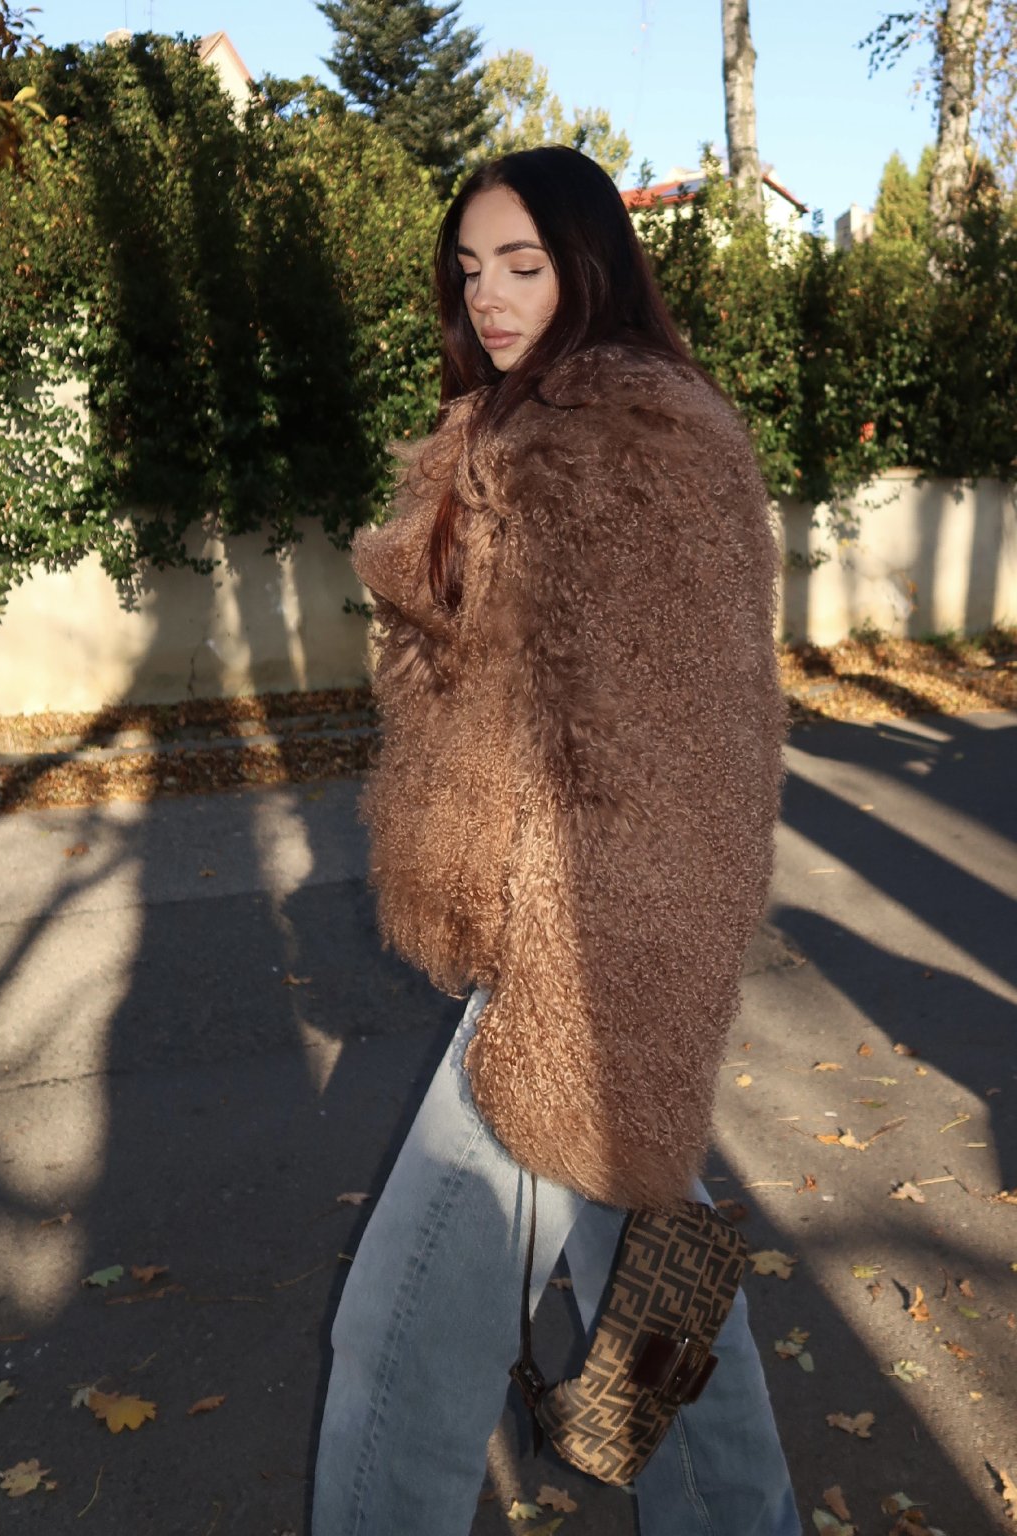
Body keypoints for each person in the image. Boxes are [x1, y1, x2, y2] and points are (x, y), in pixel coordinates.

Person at [311, 145, 800, 1536]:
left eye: (523, 264)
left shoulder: (625, 443)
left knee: (399, 1349)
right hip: (571, 944)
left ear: (589, 264)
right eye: (472, 269)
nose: (490, 295)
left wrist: (574, 981)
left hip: (576, 963)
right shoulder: (520, 430)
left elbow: (677, 748)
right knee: (662, 1310)